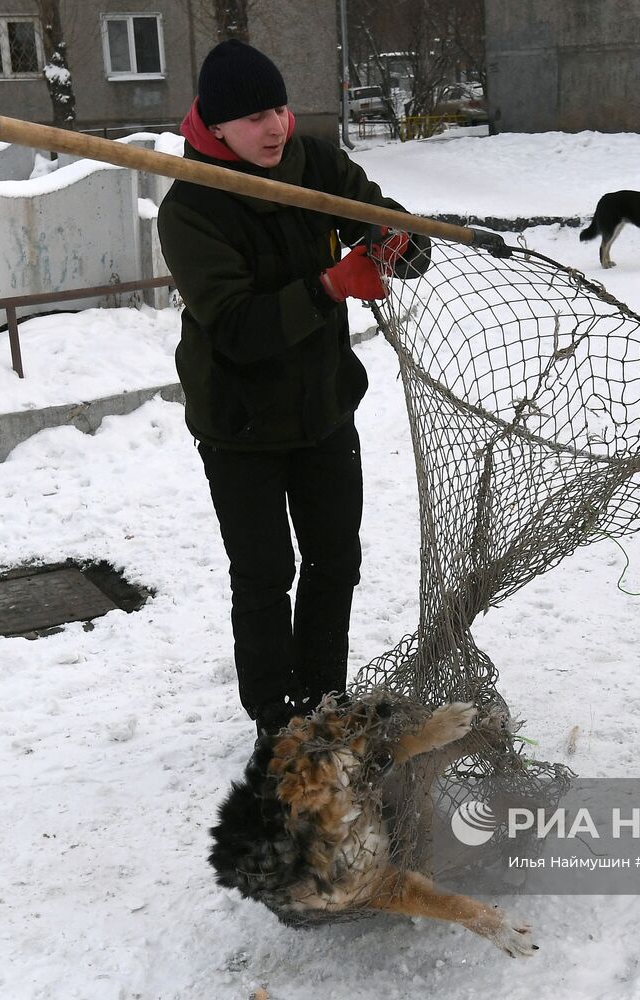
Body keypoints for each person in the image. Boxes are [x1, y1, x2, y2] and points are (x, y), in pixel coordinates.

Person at [157, 40, 429, 742]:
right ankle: (275, 718)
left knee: (336, 558)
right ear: (215, 128)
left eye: (278, 107)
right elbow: (240, 328)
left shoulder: (315, 163)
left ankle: (322, 698)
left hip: (322, 407)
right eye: (253, 118)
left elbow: (387, 220)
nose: (274, 126)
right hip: (240, 422)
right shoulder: (189, 208)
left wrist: (395, 241)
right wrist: (331, 285)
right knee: (264, 574)